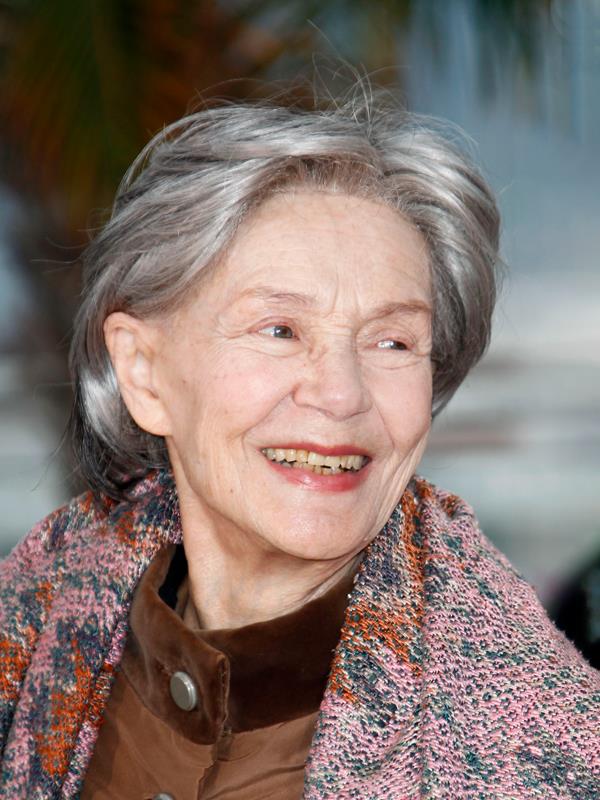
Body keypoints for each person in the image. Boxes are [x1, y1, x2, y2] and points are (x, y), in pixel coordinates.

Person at [0, 87, 598, 800]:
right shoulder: (38, 609)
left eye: (393, 341)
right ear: (143, 371)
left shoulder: (542, 755)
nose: (341, 394)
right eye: (280, 330)